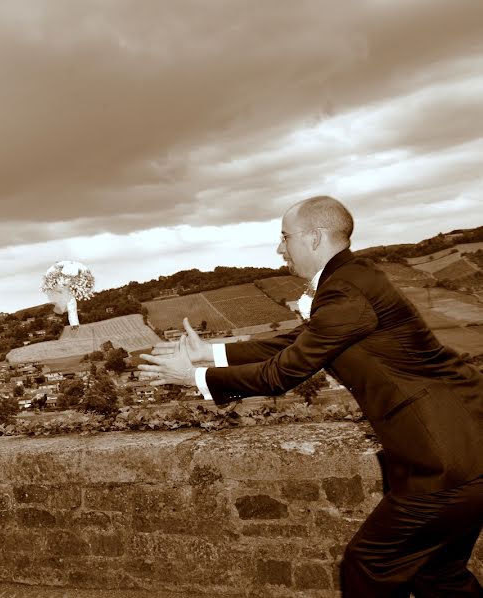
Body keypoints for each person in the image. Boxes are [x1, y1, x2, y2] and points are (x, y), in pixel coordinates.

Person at [139, 196, 483, 596]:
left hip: (447, 460)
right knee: (436, 573)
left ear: (314, 238)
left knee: (369, 564)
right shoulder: (352, 279)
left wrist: (192, 377)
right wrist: (210, 352)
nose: (279, 248)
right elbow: (297, 342)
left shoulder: (346, 291)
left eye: (285, 237)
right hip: (463, 447)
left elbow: (281, 373)